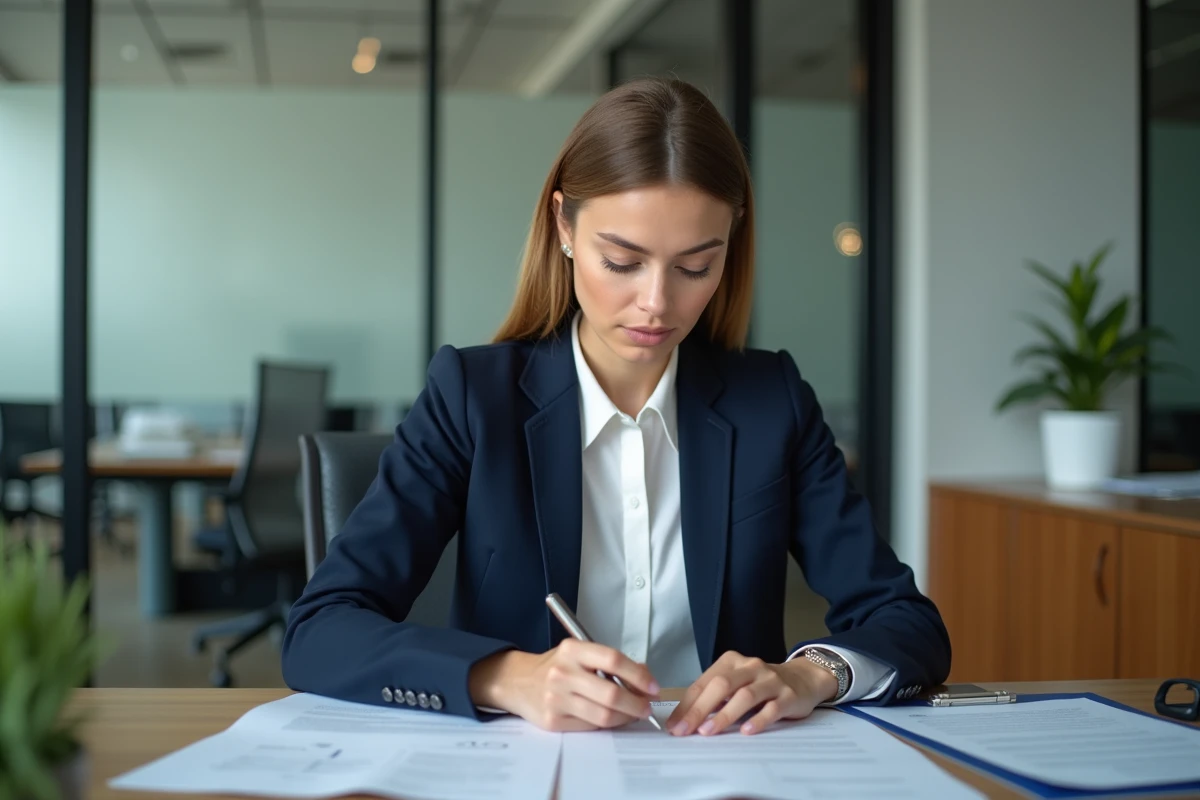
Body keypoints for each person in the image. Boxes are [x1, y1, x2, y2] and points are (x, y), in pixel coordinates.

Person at [281, 77, 950, 737]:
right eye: (622, 261)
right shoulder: (471, 397)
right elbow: (320, 628)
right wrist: (507, 677)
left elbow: (907, 622)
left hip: (725, 768)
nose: (658, 302)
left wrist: (809, 675)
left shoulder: (771, 402)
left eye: (694, 268)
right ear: (564, 226)